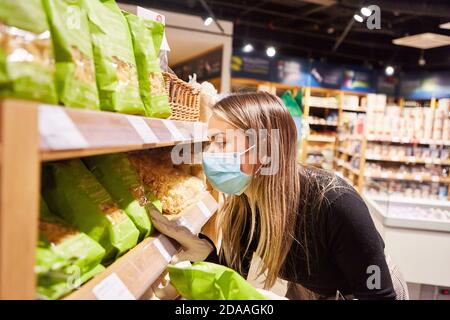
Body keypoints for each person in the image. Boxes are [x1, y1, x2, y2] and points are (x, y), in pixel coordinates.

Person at [150, 92, 408, 300]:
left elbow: (379, 296)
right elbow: (231, 284)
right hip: (312, 289)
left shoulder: (335, 204)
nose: (210, 154)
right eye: (210, 142)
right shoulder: (243, 206)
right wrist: (204, 251)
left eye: (221, 142)